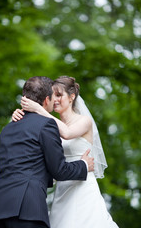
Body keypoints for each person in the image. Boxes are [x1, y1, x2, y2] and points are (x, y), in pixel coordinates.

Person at [0, 76, 94, 228]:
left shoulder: (8, 128)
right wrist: (84, 165)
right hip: (27, 210)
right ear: (46, 100)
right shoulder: (47, 125)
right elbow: (59, 170)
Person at [12, 76, 119, 228]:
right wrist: (19, 116)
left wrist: (38, 108)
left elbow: (67, 133)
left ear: (72, 97)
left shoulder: (84, 121)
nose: (54, 99)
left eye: (59, 95)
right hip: (62, 187)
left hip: (82, 187)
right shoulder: (52, 126)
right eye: (52, 95)